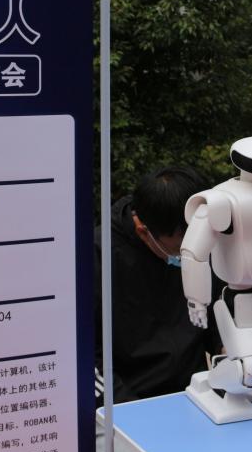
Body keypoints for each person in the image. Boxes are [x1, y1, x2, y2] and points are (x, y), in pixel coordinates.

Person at [93, 166, 217, 405]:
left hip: (197, 394)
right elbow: (85, 356)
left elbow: (218, 305)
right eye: (182, 247)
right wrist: (127, 412)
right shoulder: (96, 258)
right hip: (131, 402)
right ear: (144, 232)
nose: (194, 251)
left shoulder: (204, 240)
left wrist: (226, 347)